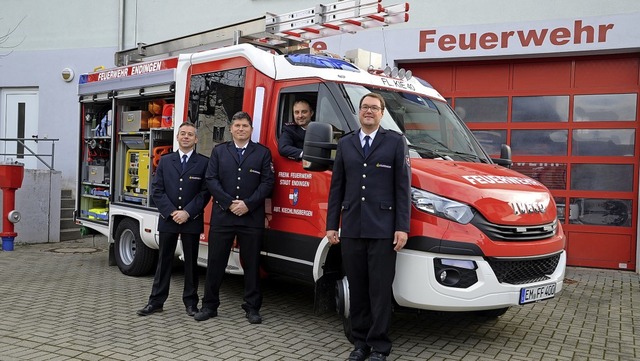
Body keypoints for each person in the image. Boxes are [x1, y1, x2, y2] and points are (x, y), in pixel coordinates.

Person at [326, 93, 411, 361]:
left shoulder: (395, 142)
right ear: (359, 112)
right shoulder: (347, 143)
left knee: (379, 290)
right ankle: (360, 343)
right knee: (358, 288)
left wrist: (402, 227)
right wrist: (332, 225)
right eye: (365, 107)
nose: (369, 111)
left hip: (383, 230)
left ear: (382, 113)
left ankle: (380, 346)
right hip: (352, 228)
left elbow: (402, 188)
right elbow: (336, 187)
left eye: (374, 108)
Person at [195, 111, 274, 324]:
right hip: (223, 216)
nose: (241, 129)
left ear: (251, 129)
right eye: (237, 125)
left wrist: (248, 204)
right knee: (215, 262)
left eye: (245, 126)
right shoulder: (219, 151)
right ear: (231, 129)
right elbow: (211, 179)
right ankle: (209, 305)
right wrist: (229, 203)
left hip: (251, 217)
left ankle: (252, 307)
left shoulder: (262, 153)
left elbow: (267, 183)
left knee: (252, 264)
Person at [137, 121, 211, 317]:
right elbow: (157, 190)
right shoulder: (165, 161)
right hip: (168, 219)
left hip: (191, 219)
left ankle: (190, 302)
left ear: (196, 139)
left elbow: (205, 193)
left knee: (190, 263)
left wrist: (187, 212)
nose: (186, 137)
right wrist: (171, 212)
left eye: (190, 134)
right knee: (164, 261)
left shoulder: (204, 163)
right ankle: (156, 301)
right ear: (177, 137)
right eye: (182, 133)